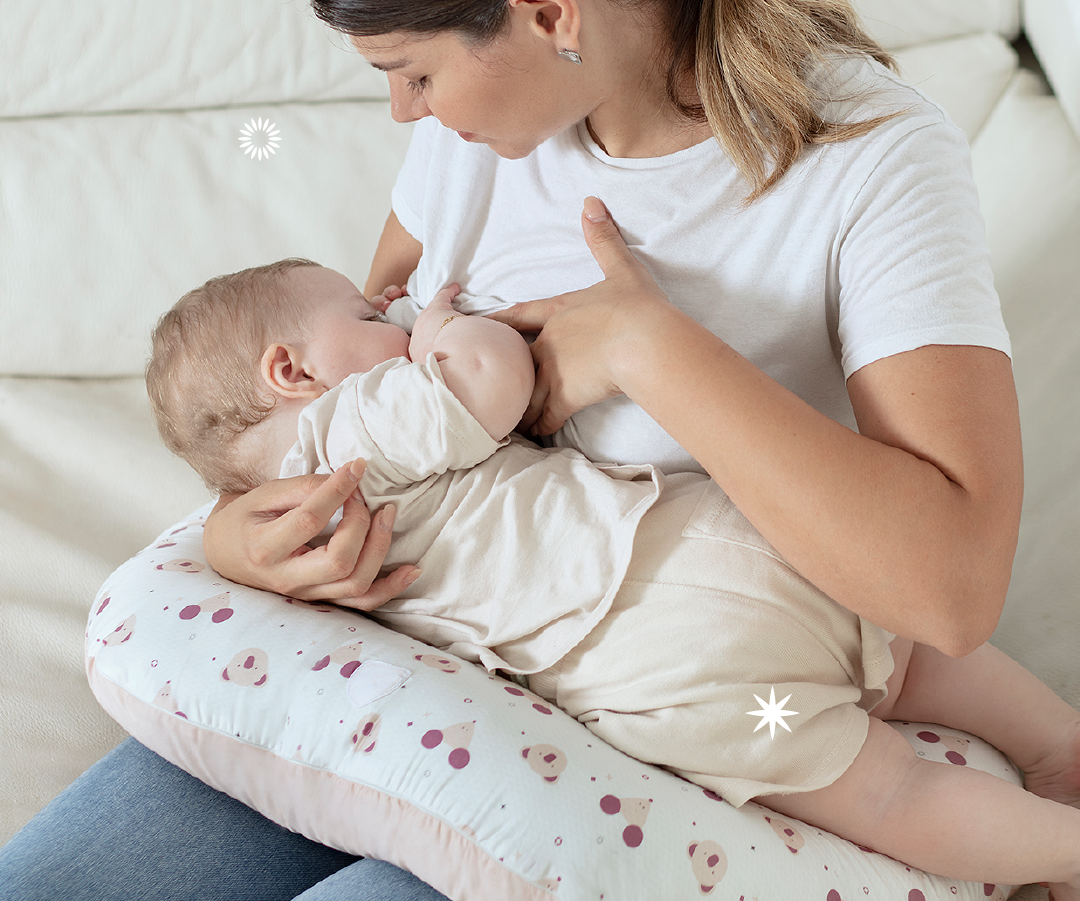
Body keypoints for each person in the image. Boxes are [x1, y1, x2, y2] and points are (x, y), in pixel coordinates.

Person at [0, 0, 1056, 897]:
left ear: (547, 14)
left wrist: (648, 347)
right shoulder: (472, 141)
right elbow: (347, 405)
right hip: (439, 667)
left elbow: (953, 593)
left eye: (412, 74)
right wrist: (246, 536)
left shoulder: (865, 159)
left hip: (680, 694)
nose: (404, 113)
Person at [142, 254, 1080, 892]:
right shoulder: (347, 430)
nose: (388, 313)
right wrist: (436, 332)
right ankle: (1057, 749)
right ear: (293, 372)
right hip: (700, 548)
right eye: (364, 315)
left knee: (889, 796)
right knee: (911, 653)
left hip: (661, 672)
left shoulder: (295, 519)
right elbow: (489, 377)